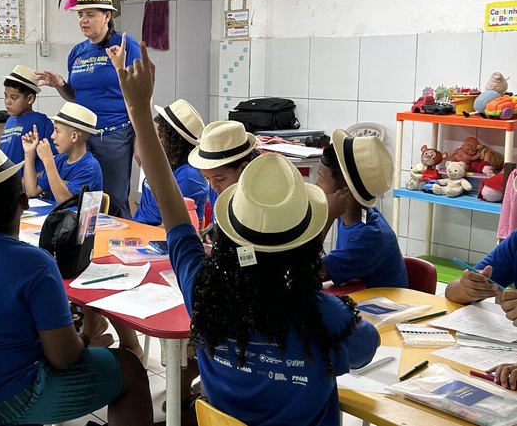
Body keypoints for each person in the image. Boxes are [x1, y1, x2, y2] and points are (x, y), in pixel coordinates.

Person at [113, 42, 378, 425]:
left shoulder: (203, 291)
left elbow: (174, 214)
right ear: (305, 245)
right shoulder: (324, 316)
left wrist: (139, 110)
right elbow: (367, 347)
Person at [0, 141, 152, 426]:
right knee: (130, 369)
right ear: (23, 201)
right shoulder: (35, 263)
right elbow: (63, 358)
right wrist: (87, 336)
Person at [37, 0, 140, 218]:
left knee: (112, 200)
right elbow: (75, 97)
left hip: (113, 134)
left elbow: (138, 94)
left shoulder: (125, 46)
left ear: (107, 16)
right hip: (82, 137)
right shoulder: (77, 52)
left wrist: (140, 139)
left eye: (90, 15)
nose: (83, 20)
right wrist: (60, 84)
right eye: (80, 15)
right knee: (83, 201)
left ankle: (119, 239)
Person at [315, 130, 408, 288]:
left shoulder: (366, 240)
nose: (315, 185)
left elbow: (308, 274)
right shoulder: (357, 214)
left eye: (320, 178)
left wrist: (328, 217)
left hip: (381, 304)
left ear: (344, 193)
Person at [134, 99, 208, 226]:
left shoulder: (188, 177)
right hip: (139, 227)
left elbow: (174, 226)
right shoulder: (165, 160)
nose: (157, 137)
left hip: (155, 232)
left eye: (161, 134)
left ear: (173, 141)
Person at [22, 101, 103, 204]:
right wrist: (29, 154)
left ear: (74, 136)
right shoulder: (59, 160)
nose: (52, 136)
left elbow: (64, 201)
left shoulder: (89, 167)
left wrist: (48, 160)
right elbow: (31, 191)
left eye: (57, 131)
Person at [0, 64, 55, 173]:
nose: (7, 101)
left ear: (30, 99)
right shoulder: (10, 121)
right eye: (6, 96)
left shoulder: (41, 121)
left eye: (14, 98)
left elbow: (53, 157)